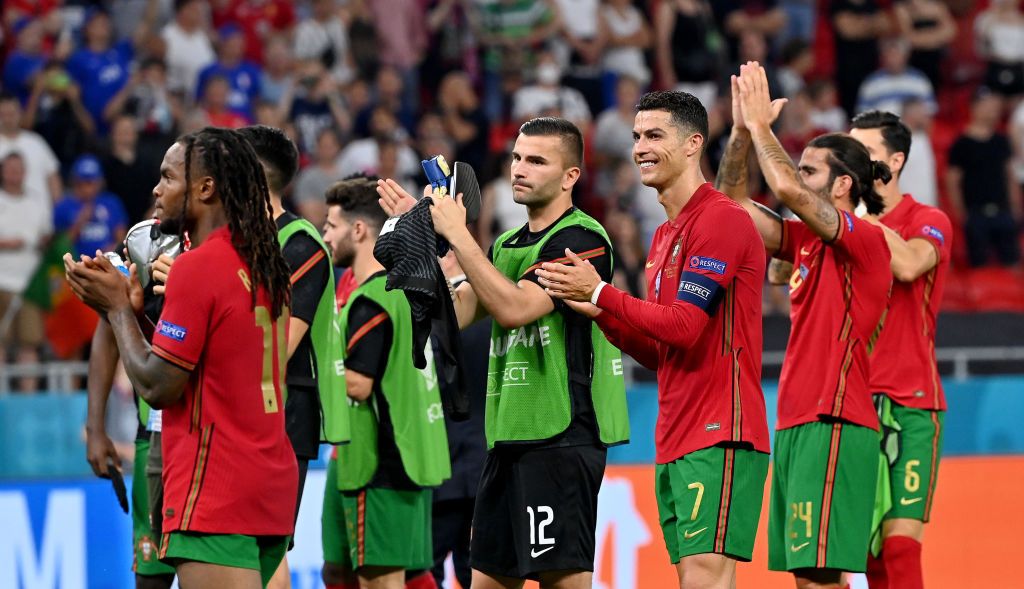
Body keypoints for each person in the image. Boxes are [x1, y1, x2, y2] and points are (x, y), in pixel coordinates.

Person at [378, 116, 630, 589]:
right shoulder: (507, 245)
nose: (520, 168)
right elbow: (461, 310)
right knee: (487, 581)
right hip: (507, 437)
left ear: (570, 176)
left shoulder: (583, 240)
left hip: (560, 438)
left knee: (562, 580)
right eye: (516, 157)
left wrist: (460, 236)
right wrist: (428, 246)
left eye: (536, 160)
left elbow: (515, 309)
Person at [535, 90, 771, 589]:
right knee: (695, 578)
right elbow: (660, 351)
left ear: (692, 145)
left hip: (721, 426)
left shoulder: (722, 219)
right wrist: (598, 310)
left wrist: (602, 290)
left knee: (704, 578)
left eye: (655, 135)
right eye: (638, 136)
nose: (640, 146)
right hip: (676, 430)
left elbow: (684, 325)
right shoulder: (664, 237)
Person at [64, 127, 297, 589]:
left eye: (168, 177)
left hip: (216, 485)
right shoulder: (263, 261)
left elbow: (158, 386)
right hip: (269, 481)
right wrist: (134, 315)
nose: (156, 189)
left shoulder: (196, 267)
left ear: (205, 188)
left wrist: (114, 311)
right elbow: (207, 362)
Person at [719, 62, 892, 589]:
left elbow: (790, 193)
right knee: (808, 574)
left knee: (818, 573)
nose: (797, 178)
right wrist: (741, 134)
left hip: (835, 415)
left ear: (843, 184)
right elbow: (729, 207)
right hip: (796, 418)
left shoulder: (866, 240)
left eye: (810, 170)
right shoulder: (805, 243)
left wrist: (765, 128)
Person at [320, 176, 450, 589]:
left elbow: (357, 383)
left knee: (381, 577)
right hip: (409, 451)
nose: (324, 235)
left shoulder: (372, 298)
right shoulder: (408, 292)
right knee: (378, 571)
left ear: (359, 231)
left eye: (330, 226)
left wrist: (303, 370)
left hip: (377, 457)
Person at [237, 124, 347, 589]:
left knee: (265, 545)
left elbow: (277, 350)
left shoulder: (301, 245)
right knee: (238, 546)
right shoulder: (225, 241)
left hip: (283, 414)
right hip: (235, 411)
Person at [848, 110, 952, 589]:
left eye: (865, 154)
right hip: (855, 404)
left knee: (900, 546)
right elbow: (782, 274)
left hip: (911, 402)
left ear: (896, 160)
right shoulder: (845, 228)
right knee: (865, 551)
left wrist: (861, 220)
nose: (854, 164)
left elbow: (910, 265)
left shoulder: (928, 221)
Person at [85, 220, 181, 589]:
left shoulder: (220, 253)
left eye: (169, 180)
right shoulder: (146, 249)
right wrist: (96, 427)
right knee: (151, 575)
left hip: (212, 435)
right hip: (154, 430)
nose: (159, 191)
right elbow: (110, 327)